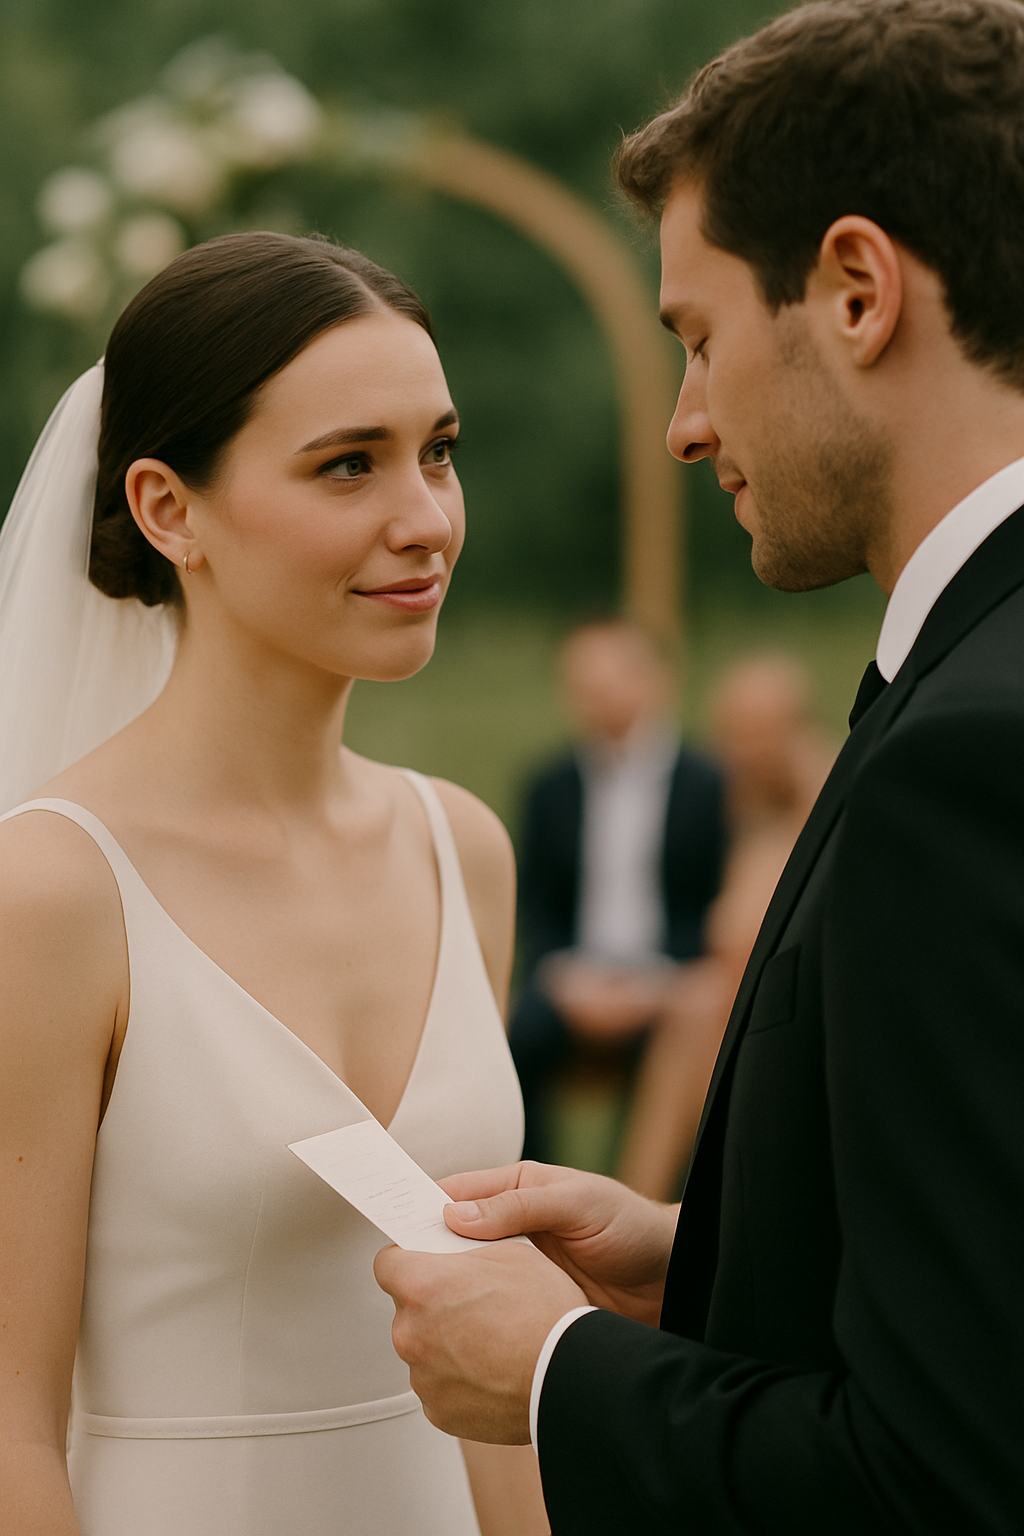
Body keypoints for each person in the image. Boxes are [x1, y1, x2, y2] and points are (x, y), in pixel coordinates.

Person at [373, 2, 1024, 1530]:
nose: (684, 423)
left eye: (699, 338)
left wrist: (557, 1372)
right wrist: (715, 1254)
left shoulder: (974, 758)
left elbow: (946, 1488)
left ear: (857, 291)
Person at [0, 234, 548, 1535]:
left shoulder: (461, 847)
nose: (424, 517)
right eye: (348, 464)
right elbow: (9, 1419)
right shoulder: (51, 894)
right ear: (166, 507)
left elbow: (492, 1361)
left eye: (440, 450)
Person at [615, 653, 834, 1199]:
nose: (747, 750)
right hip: (718, 998)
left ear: (801, 732)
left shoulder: (825, 803)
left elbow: (741, 937)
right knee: (691, 1022)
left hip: (798, 1003)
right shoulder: (721, 807)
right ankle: (652, 1202)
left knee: (695, 1025)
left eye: (764, 732)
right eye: (733, 733)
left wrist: (813, 778)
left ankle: (646, 1203)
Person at [508, 617, 726, 1163]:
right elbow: (536, 901)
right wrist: (563, 971)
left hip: (671, 979)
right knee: (512, 1043)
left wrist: (656, 979)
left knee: (679, 1056)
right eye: (584, 684)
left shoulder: (711, 785)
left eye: (613, 679)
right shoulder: (548, 786)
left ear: (655, 679)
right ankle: (533, 1193)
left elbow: (714, 901)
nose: (599, 697)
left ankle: (643, 1199)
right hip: (574, 977)